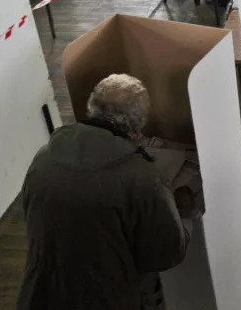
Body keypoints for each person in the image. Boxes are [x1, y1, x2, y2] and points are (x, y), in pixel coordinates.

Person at [17, 74, 195, 310]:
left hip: (42, 296)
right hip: (112, 298)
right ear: (137, 125)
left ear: (91, 107)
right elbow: (166, 253)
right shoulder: (141, 177)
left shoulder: (43, 159)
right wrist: (182, 212)